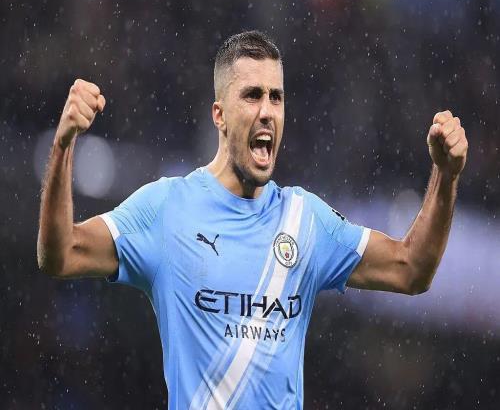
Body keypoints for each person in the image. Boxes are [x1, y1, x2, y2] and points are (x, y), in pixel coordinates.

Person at [37, 31, 468, 409]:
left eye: (276, 97)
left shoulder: (305, 220)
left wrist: (446, 175)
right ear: (219, 115)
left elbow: (411, 269)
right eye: (252, 95)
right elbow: (61, 254)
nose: (267, 111)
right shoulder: (168, 208)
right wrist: (64, 145)